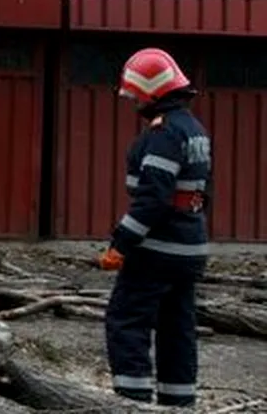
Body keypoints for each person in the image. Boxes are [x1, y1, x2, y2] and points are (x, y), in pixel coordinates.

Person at [100, 48, 210, 408]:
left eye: (135, 95)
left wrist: (121, 245)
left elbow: (153, 200)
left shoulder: (163, 134)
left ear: (151, 93)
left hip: (156, 251)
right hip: (189, 249)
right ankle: (178, 403)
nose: (134, 103)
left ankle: (131, 401)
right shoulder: (195, 130)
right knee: (177, 329)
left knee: (125, 321)